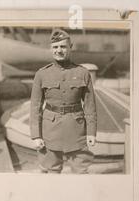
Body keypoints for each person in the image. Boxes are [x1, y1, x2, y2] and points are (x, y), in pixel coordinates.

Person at [30, 28, 97, 174]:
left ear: (70, 47)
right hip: (50, 131)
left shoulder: (82, 73)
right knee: (52, 171)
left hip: (77, 130)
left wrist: (91, 132)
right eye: (55, 47)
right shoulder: (42, 74)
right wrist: (36, 135)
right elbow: (35, 107)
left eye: (63, 46)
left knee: (80, 172)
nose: (59, 50)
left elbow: (90, 105)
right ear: (50, 49)